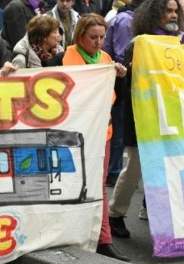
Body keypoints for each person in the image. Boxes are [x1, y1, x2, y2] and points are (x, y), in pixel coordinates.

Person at [49, 13, 129, 262]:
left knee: (99, 187)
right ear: (79, 36)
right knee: (68, 185)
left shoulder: (106, 60)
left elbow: (118, 99)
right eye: (93, 37)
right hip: (70, 135)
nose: (99, 42)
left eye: (102, 37)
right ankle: (66, 235)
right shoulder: (61, 59)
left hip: (101, 134)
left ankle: (104, 240)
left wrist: (121, 79)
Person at [109, 0, 184, 240]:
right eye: (168, 11)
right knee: (135, 167)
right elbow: (130, 80)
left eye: (175, 12)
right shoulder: (138, 43)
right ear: (154, 15)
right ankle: (115, 214)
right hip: (142, 114)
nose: (173, 16)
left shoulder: (178, 44)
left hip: (169, 116)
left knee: (165, 164)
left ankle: (148, 208)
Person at [102, 0, 144, 189]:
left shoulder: (128, 19)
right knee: (118, 127)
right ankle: (114, 172)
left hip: (119, 80)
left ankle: (115, 170)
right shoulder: (127, 21)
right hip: (117, 81)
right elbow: (122, 54)